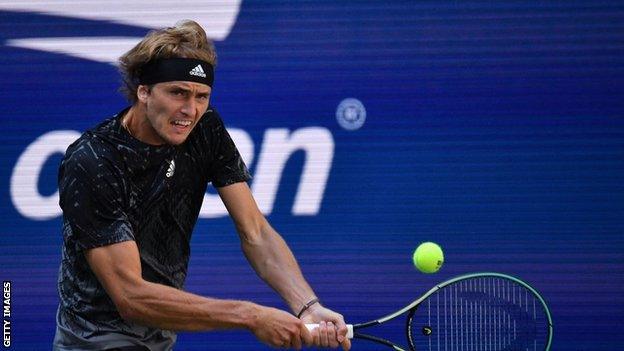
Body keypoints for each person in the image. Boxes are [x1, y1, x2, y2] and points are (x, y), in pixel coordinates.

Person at [53, 20, 350, 351]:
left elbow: (256, 233)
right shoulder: (94, 159)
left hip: (161, 332)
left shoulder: (205, 130)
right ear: (144, 91)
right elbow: (131, 296)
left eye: (201, 96)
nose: (190, 110)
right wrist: (250, 315)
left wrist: (307, 305)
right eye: (177, 92)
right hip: (97, 338)